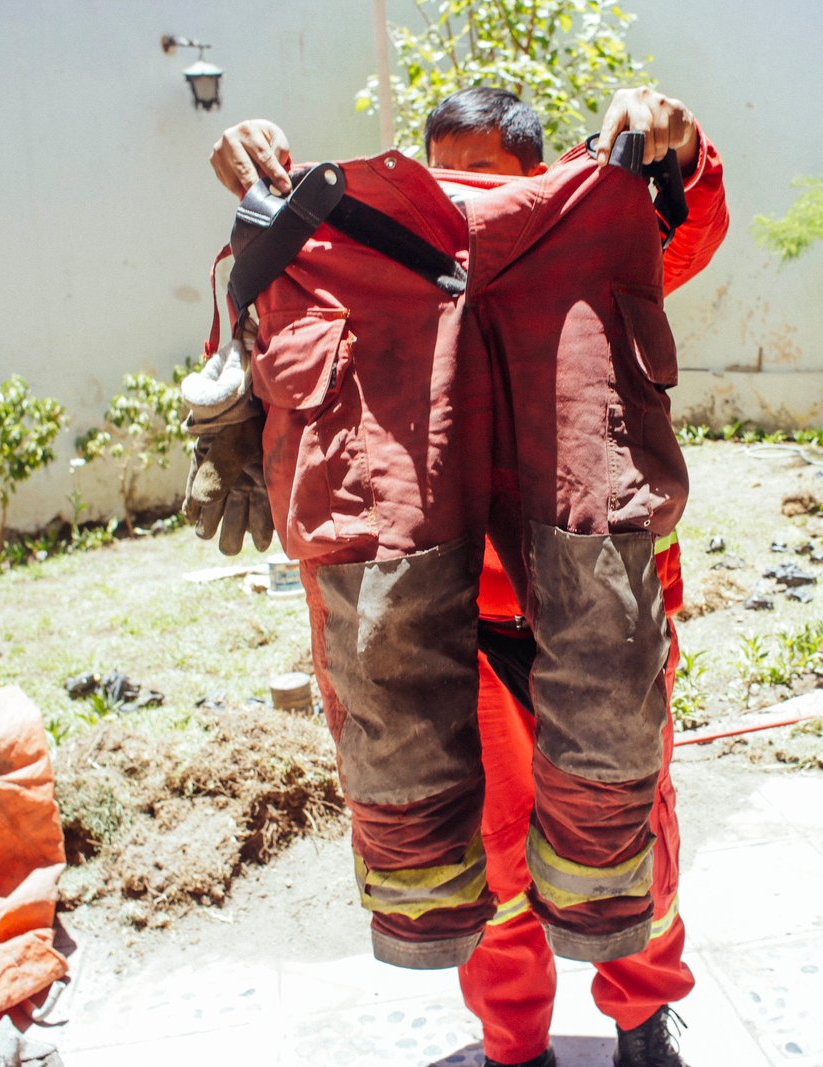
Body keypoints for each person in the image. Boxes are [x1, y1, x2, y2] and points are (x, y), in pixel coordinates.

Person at [207, 86, 727, 1067]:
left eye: (486, 192)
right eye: (443, 186)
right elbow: (265, 308)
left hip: (601, 606)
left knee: (625, 829)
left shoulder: (596, 230)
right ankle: (511, 1043)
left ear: (540, 184)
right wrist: (257, 190)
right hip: (451, 621)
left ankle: (643, 1020)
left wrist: (678, 141)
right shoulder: (376, 257)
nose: (463, 215)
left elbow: (687, 222)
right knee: (489, 857)